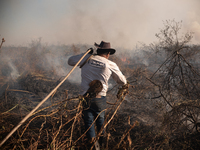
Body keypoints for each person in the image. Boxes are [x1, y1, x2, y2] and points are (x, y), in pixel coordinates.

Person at [68, 41, 127, 148]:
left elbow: (70, 61)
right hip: (100, 99)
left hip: (85, 98)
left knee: (89, 122)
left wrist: (86, 54)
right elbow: (122, 81)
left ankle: (93, 145)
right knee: (100, 123)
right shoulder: (110, 64)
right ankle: (102, 145)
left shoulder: (87, 59)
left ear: (97, 50)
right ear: (108, 53)